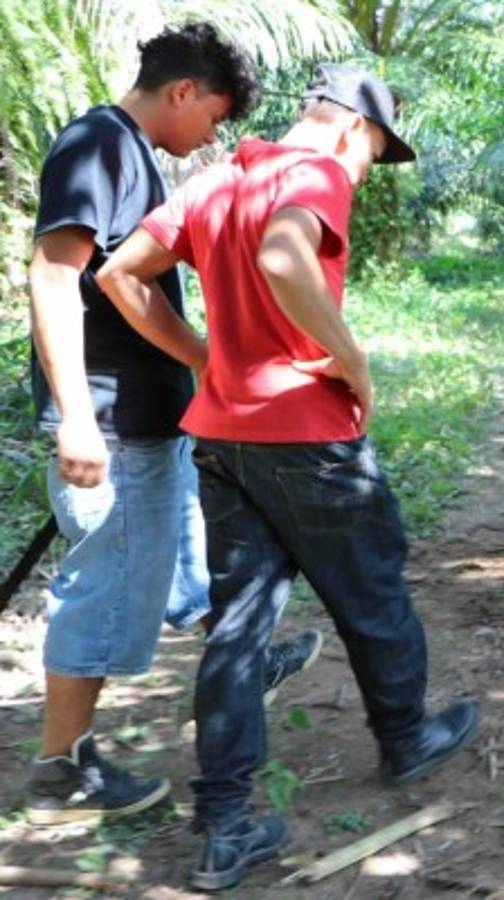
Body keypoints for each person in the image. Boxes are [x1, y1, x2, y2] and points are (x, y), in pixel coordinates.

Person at [97, 63, 479, 891]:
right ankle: (406, 738)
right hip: (307, 436)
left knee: (238, 630)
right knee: (372, 591)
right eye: (376, 150)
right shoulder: (319, 170)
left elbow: (119, 274)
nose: (366, 169)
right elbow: (281, 254)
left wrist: (205, 358)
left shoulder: (218, 179)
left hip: (223, 439)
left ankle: (226, 826)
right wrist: (351, 358)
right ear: (350, 126)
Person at [24, 23, 319, 829]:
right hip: (109, 416)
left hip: (146, 413)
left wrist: (196, 359)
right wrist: (79, 420)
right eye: (214, 118)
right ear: (182, 91)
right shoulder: (99, 144)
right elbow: (53, 277)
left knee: (164, 556)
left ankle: (240, 657)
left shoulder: (130, 153)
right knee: (106, 586)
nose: (211, 137)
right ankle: (60, 769)